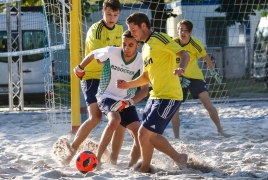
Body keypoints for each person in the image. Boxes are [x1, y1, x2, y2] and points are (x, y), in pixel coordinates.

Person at [117, 12, 190, 173]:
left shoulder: (160, 38)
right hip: (154, 96)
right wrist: (128, 84)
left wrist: (182, 67)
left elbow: (184, 54)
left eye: (134, 30)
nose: (132, 34)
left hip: (169, 96)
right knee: (148, 136)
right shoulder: (146, 47)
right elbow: (146, 77)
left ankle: (145, 168)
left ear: (143, 26)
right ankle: (178, 158)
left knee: (144, 133)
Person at [57, 0, 125, 166]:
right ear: (103, 12)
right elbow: (100, 59)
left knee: (121, 118)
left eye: (115, 15)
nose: (112, 17)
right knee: (95, 117)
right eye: (109, 14)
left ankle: (113, 159)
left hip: (111, 77)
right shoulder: (95, 30)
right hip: (92, 76)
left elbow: (120, 54)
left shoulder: (120, 29)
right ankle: (71, 150)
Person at [74, 30, 148, 167]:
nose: (126, 48)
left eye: (130, 45)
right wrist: (80, 67)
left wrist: (129, 102)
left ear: (138, 45)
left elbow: (144, 91)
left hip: (126, 101)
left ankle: (131, 167)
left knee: (140, 135)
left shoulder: (141, 61)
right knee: (115, 120)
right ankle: (98, 159)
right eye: (124, 44)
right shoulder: (112, 51)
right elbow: (92, 54)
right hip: (106, 96)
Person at [171, 19, 225, 139]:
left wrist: (213, 72)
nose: (182, 33)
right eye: (180, 30)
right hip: (178, 78)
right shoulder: (172, 43)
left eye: (185, 30)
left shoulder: (196, 44)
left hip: (195, 77)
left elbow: (207, 58)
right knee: (175, 108)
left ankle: (220, 130)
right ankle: (177, 138)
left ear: (190, 32)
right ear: (177, 30)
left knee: (207, 104)